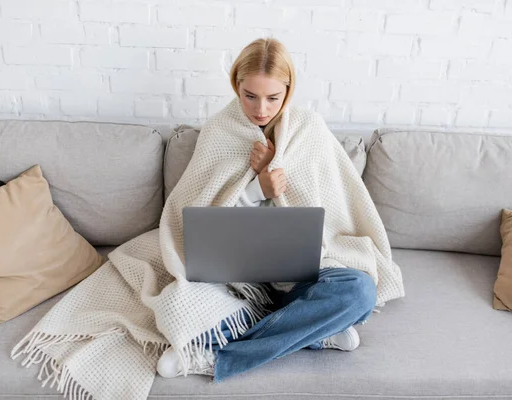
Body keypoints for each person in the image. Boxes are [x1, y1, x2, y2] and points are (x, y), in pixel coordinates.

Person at [156, 38, 377, 383]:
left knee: (358, 291)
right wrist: (260, 187)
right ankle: (314, 333)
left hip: (303, 278)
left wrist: (274, 161)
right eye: (250, 96)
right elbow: (200, 219)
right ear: (236, 86)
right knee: (177, 301)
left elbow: (328, 210)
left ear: (288, 92)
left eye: (273, 98)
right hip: (233, 281)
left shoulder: (309, 129)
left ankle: (216, 357)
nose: (261, 110)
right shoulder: (219, 131)